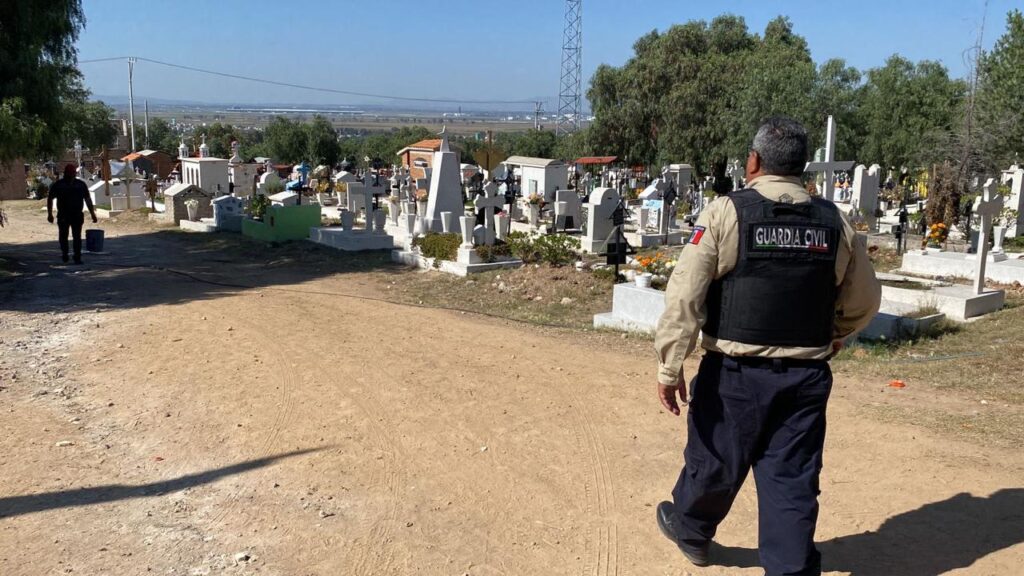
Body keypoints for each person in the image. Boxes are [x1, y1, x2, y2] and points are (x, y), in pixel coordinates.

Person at [653, 117, 881, 576]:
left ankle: (693, 532)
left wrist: (670, 364)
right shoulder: (834, 222)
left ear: (753, 162)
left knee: (714, 461)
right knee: (791, 483)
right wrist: (834, 332)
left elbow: (686, 293)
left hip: (734, 375)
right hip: (805, 379)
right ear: (804, 168)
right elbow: (864, 301)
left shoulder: (725, 213)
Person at [47, 164, 98, 264]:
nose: (70, 175)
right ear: (65, 173)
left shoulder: (80, 185)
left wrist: (92, 213)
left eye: (72, 173)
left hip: (77, 215)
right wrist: (50, 214)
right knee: (63, 236)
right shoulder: (59, 185)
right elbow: (50, 199)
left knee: (77, 237)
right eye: (69, 173)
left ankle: (77, 257)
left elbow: (87, 199)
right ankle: (65, 254)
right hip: (63, 215)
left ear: (74, 174)